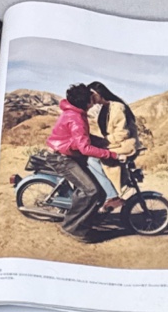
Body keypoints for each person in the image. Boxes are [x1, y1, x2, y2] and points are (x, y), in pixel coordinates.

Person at [44, 83, 121, 239]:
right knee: (91, 190)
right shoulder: (76, 118)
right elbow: (85, 148)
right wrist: (112, 155)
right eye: (91, 97)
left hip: (69, 153)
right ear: (86, 102)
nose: (94, 99)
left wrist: (104, 142)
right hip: (62, 158)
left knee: (97, 189)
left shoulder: (75, 112)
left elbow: (83, 137)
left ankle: (86, 221)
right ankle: (72, 228)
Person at [86, 81, 141, 210]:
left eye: (91, 94)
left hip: (125, 144)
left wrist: (101, 142)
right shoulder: (104, 109)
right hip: (115, 143)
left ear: (98, 93)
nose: (90, 98)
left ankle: (111, 195)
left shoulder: (117, 107)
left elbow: (123, 134)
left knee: (92, 159)